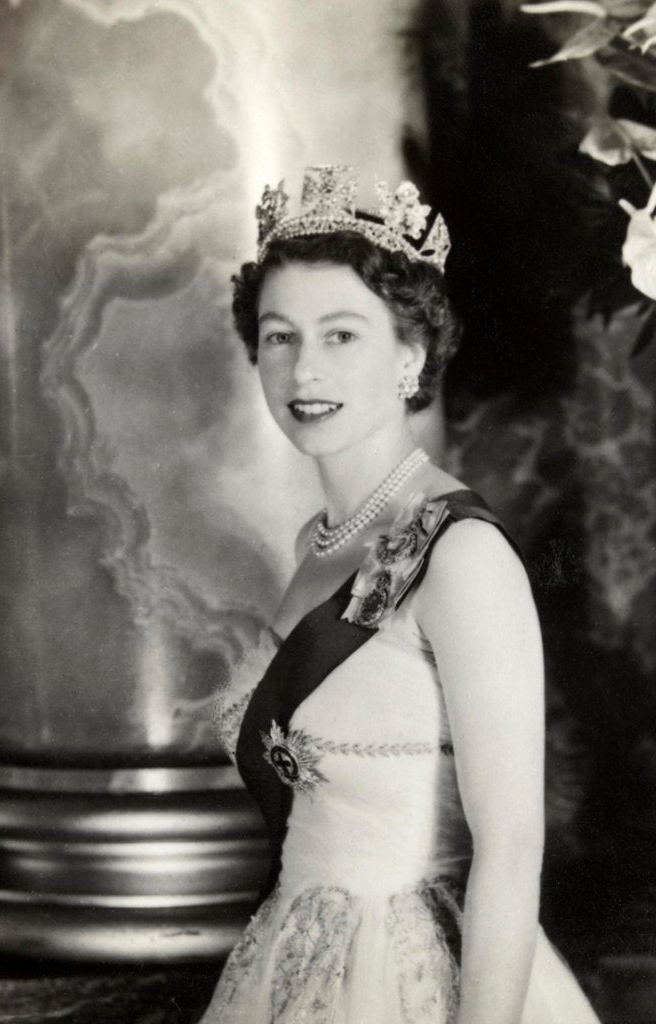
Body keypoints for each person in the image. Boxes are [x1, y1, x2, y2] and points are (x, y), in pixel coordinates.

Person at [203, 165, 601, 1023]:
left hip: (419, 979)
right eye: (280, 336)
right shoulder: (317, 545)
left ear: (410, 354)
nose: (304, 368)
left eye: (342, 335)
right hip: (288, 967)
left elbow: (512, 845)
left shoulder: (461, 556)